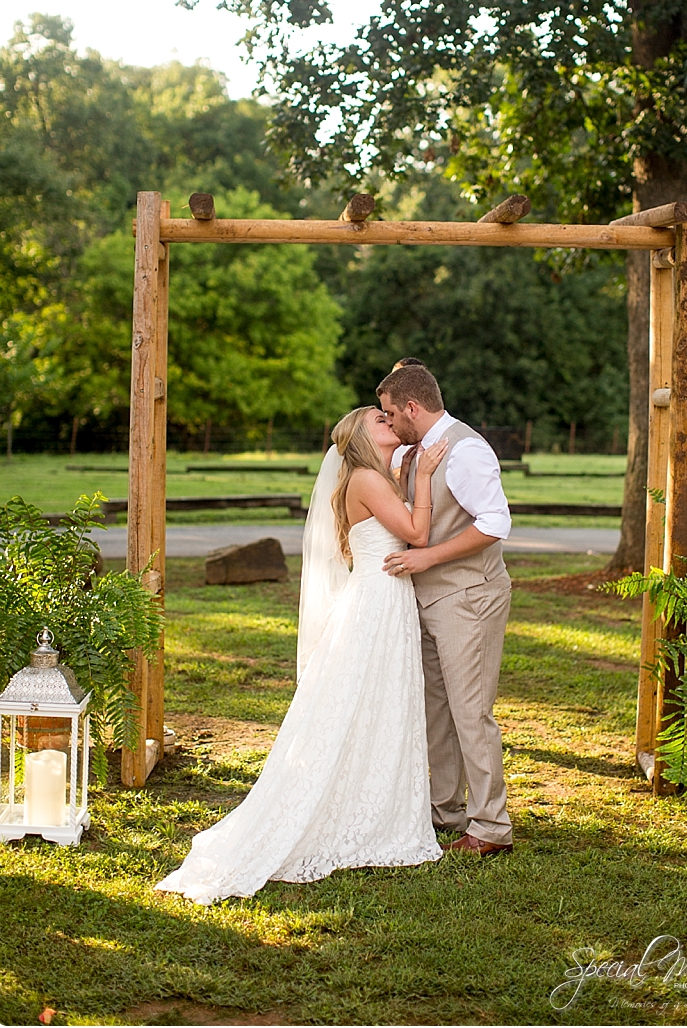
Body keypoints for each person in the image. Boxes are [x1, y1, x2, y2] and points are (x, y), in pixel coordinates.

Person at [155, 406, 448, 905]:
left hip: (385, 601)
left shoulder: (376, 477)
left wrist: (405, 472)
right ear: (361, 437)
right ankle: (347, 815)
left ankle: (372, 807)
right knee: (357, 707)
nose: (390, 424)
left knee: (379, 708)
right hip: (376, 606)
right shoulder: (365, 480)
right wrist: (420, 475)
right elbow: (417, 536)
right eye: (380, 420)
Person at [376, 365, 513, 857]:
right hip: (428, 600)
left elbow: (497, 522)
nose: (389, 423)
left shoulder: (467, 449)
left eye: (392, 414)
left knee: (471, 713)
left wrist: (426, 558)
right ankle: (445, 812)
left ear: (413, 407)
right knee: (436, 711)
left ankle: (491, 827)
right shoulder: (415, 453)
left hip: (468, 598)